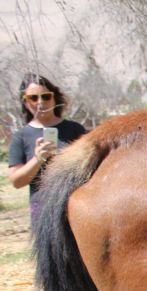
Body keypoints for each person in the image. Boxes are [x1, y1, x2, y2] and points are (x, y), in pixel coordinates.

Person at [8, 73, 86, 227]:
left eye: (45, 96)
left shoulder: (75, 130)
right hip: (41, 211)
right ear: (25, 102)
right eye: (33, 98)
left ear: (54, 97)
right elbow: (16, 181)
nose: (40, 102)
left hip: (77, 206)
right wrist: (37, 159)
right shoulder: (21, 137)